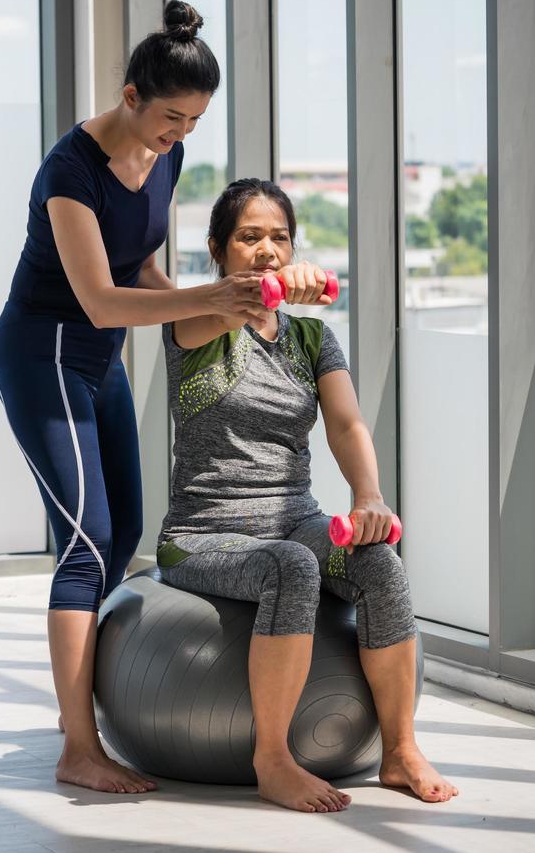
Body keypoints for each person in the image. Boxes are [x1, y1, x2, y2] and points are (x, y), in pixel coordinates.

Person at [0, 2, 304, 795]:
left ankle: (83, 714)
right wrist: (214, 293)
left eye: (194, 121)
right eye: (170, 117)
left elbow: (147, 279)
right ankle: (77, 745)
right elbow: (98, 298)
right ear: (130, 95)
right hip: (43, 355)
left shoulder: (162, 158)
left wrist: (230, 310)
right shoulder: (70, 172)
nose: (180, 135)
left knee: (124, 527)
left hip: (101, 360)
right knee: (89, 541)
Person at [156, 177, 459, 813]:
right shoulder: (193, 323)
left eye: (280, 238)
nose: (267, 249)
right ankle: (272, 759)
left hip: (294, 516)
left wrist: (368, 497)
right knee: (290, 569)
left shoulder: (313, 339)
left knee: (379, 565)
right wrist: (256, 293)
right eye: (249, 237)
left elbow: (348, 424)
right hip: (203, 535)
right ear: (217, 248)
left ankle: (400, 751)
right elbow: (218, 309)